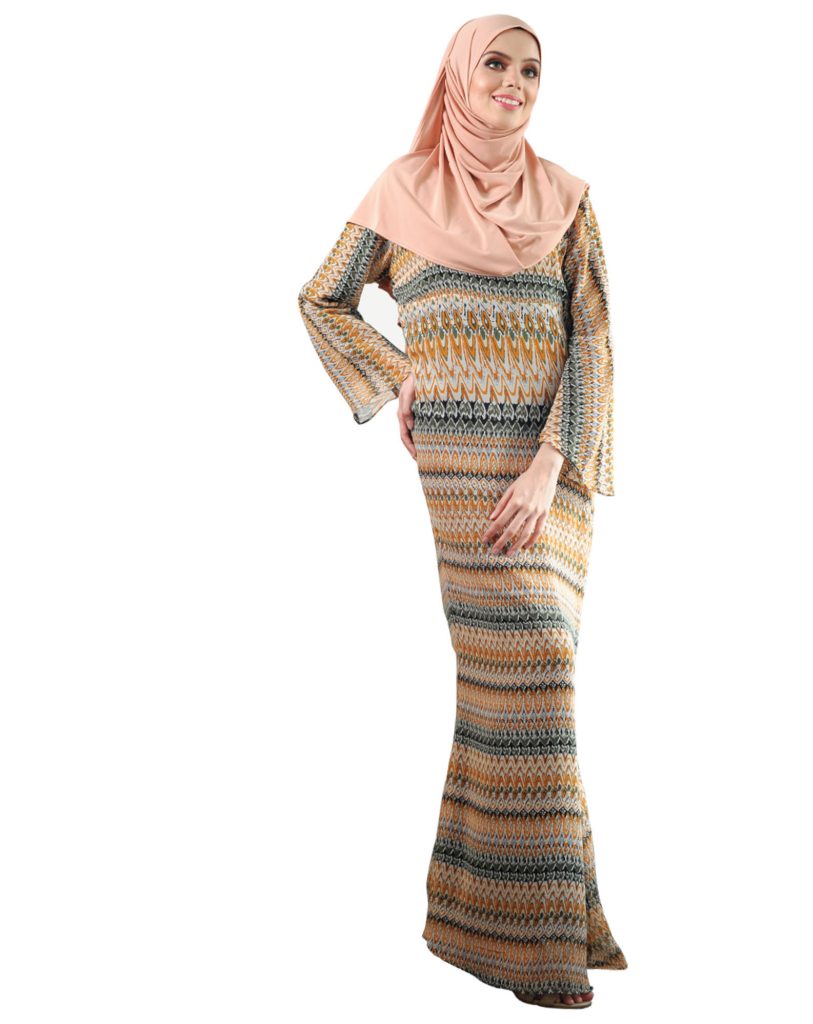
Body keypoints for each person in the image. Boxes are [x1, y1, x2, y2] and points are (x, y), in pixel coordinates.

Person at [296, 14, 625, 1010]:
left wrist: (552, 463)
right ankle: (538, 945)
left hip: (550, 469)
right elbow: (322, 298)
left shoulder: (567, 201)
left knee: (539, 672)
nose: (514, 82)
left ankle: (489, 918)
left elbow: (593, 340)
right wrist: (398, 374)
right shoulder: (403, 192)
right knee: (526, 674)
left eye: (531, 69)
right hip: (463, 472)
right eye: (495, 63)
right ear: (457, 75)